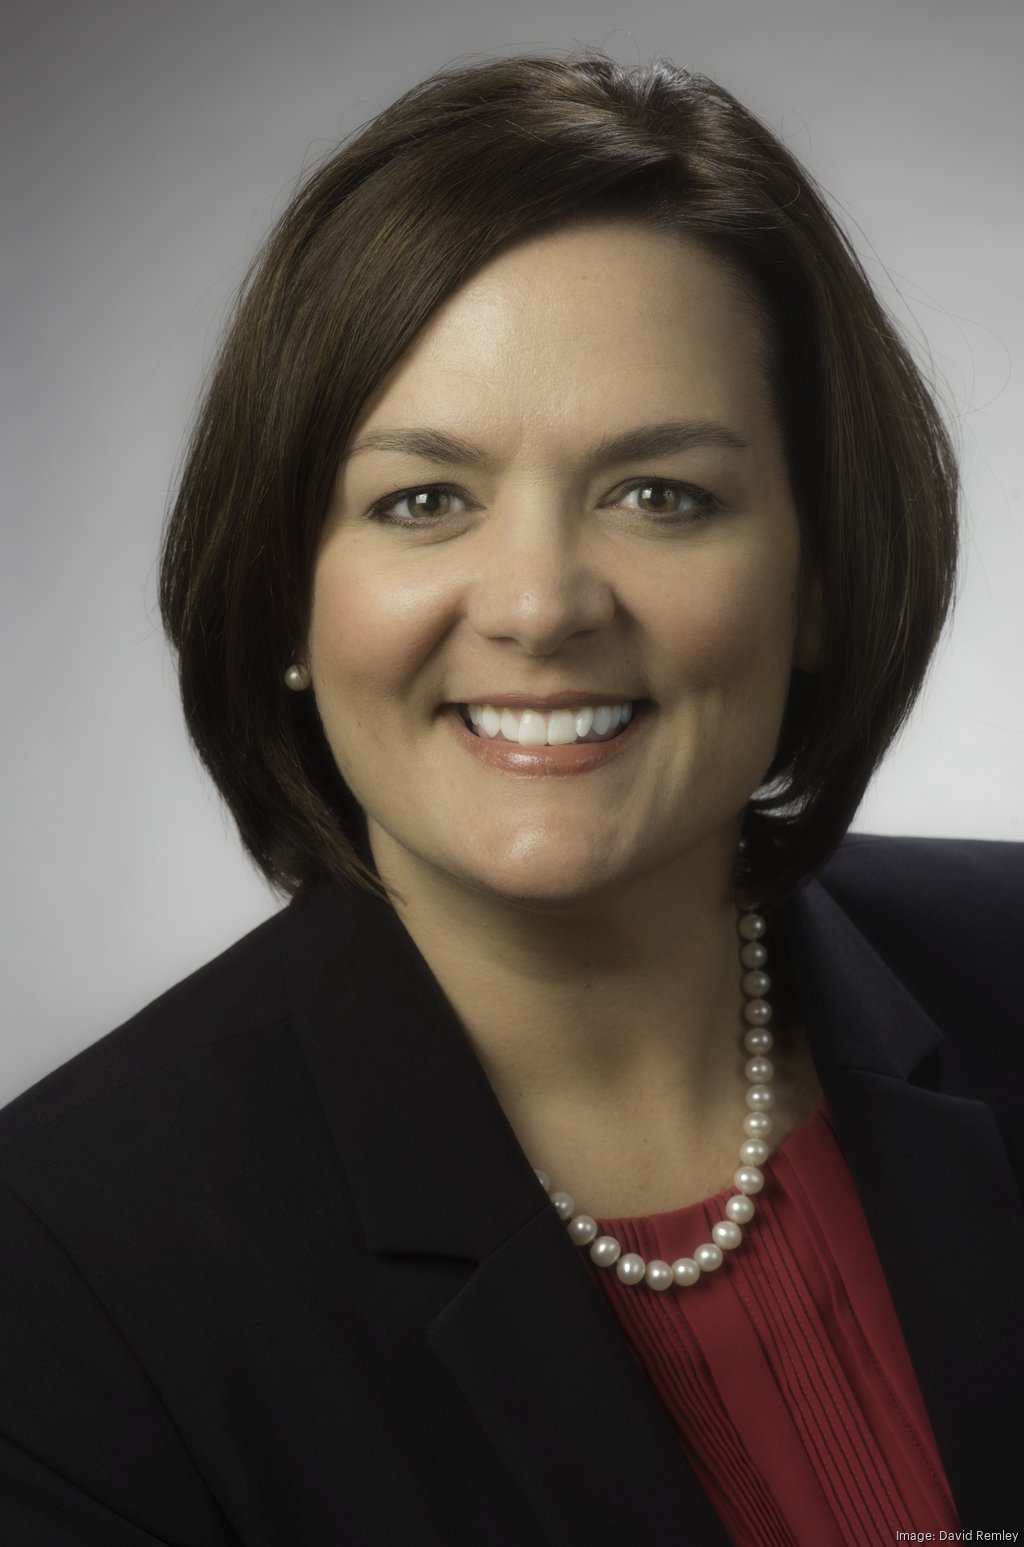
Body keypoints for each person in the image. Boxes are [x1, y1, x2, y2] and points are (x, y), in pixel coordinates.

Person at [0, 49, 1020, 1547]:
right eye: (423, 501)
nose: (541, 608)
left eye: (661, 494)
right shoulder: (62, 1271)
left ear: (818, 575)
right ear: (285, 598)